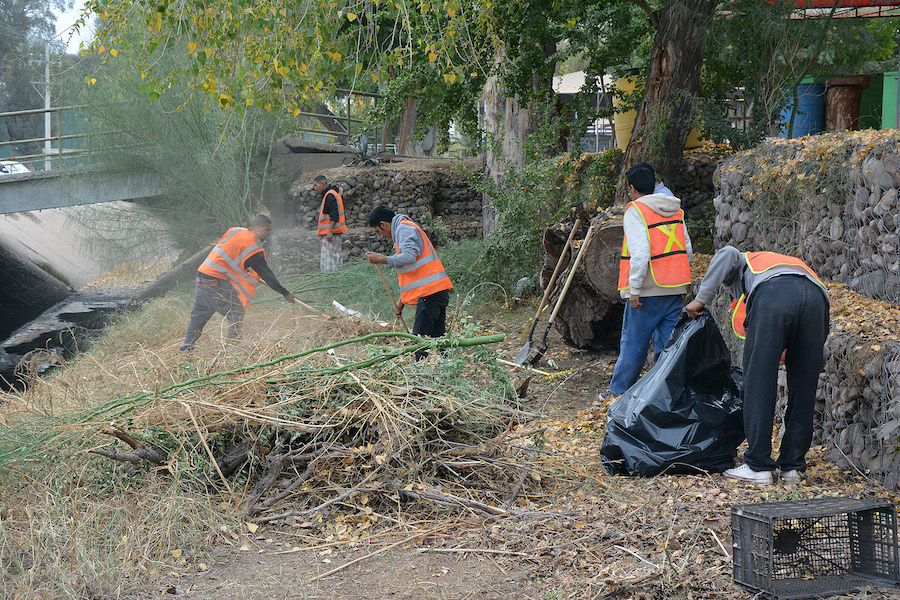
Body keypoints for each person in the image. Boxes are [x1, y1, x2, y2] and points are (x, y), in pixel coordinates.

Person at [685, 247, 829, 485]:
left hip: (774, 296)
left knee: (758, 381)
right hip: (818, 299)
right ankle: (792, 467)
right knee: (804, 388)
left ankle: (758, 466)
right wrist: (808, 363)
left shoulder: (742, 260)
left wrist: (700, 300)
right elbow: (818, 352)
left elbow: (727, 252)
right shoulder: (789, 264)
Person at [609, 162, 693, 395]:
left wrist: (634, 288)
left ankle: (619, 394)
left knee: (633, 345)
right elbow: (687, 250)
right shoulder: (675, 209)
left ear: (633, 188)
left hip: (647, 292)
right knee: (668, 347)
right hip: (675, 288)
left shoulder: (636, 210)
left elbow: (641, 252)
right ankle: (664, 395)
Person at [180, 214, 296, 352]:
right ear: (257, 227)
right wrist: (285, 293)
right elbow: (267, 275)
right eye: (267, 230)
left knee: (199, 314)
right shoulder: (252, 249)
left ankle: (186, 348)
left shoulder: (235, 231)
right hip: (215, 280)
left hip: (202, 275)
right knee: (236, 311)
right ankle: (231, 350)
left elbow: (230, 253)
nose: (269, 234)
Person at [364, 206, 453, 360]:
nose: (383, 236)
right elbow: (413, 272)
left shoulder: (403, 229)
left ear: (383, 224)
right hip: (436, 291)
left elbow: (409, 257)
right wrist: (401, 302)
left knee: (419, 340)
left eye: (379, 231)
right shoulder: (404, 229)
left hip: (430, 294)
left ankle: (419, 375)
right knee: (439, 337)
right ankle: (450, 369)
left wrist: (382, 259)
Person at [314, 175, 346, 272]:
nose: (315, 189)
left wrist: (330, 231)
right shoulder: (333, 194)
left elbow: (334, 215)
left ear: (322, 184)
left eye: (316, 186)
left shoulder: (329, 195)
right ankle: (337, 280)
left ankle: (330, 280)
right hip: (334, 233)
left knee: (329, 261)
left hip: (332, 234)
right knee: (336, 259)